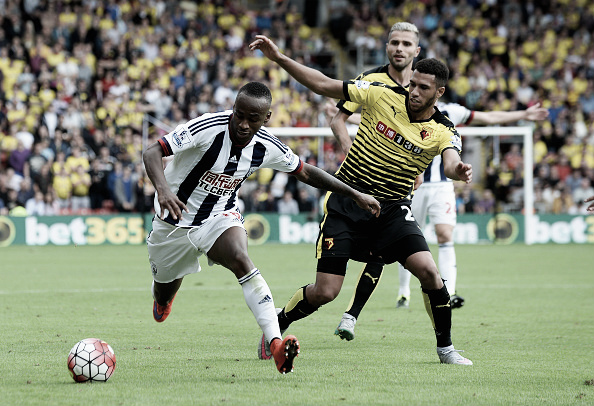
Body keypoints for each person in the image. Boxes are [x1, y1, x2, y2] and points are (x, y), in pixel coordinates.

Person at [250, 35, 473, 365]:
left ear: (439, 92)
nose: (414, 92)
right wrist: (280, 58)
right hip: (348, 200)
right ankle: (279, 323)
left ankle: (446, 350)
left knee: (429, 272)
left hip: (392, 209)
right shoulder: (379, 93)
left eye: (424, 88)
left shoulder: (443, 128)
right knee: (326, 292)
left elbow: (451, 161)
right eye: (413, 85)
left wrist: (459, 171)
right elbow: (324, 84)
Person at [325, 22, 549, 344]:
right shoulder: (376, 88)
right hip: (389, 186)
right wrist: (352, 151)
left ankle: (448, 294)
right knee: (384, 249)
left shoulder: (448, 115)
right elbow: (337, 115)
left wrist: (522, 116)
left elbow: (487, 118)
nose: (399, 49)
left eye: (407, 44)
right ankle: (371, 306)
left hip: (434, 184)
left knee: (437, 238)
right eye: (394, 43)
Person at [142, 81, 381, 375]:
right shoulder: (207, 128)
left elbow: (306, 171)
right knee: (163, 293)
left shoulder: (267, 145)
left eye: (252, 119)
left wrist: (354, 193)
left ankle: (276, 343)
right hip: (172, 222)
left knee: (242, 260)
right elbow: (152, 151)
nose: (243, 124)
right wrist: (164, 190)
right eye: (238, 115)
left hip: (220, 216)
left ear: (266, 118)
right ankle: (164, 296)